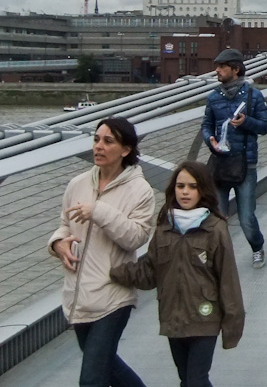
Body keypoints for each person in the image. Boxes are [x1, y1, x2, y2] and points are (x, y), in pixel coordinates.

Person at [110, 161, 245, 387]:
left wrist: (232, 325)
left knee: (195, 380)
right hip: (173, 318)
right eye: (180, 186)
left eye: (192, 186)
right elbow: (149, 271)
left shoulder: (215, 228)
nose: (185, 192)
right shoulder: (165, 227)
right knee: (187, 380)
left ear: (203, 190)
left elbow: (228, 280)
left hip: (205, 318)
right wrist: (113, 272)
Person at [48, 117, 156, 387]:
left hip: (113, 296)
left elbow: (135, 237)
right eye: (96, 139)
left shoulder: (140, 190)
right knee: (108, 367)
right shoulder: (78, 184)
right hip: (78, 297)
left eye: (108, 141)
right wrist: (57, 244)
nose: (98, 146)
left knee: (92, 379)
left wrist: (98, 211)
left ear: (126, 150)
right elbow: (64, 225)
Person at [202, 48, 267, 268]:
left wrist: (246, 122)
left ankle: (257, 247)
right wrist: (209, 140)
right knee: (217, 217)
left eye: (222, 67)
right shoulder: (213, 97)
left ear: (236, 69)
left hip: (245, 165)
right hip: (220, 164)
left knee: (246, 218)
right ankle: (218, 256)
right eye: (217, 66)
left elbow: (265, 127)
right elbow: (206, 125)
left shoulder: (254, 96)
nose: (217, 70)